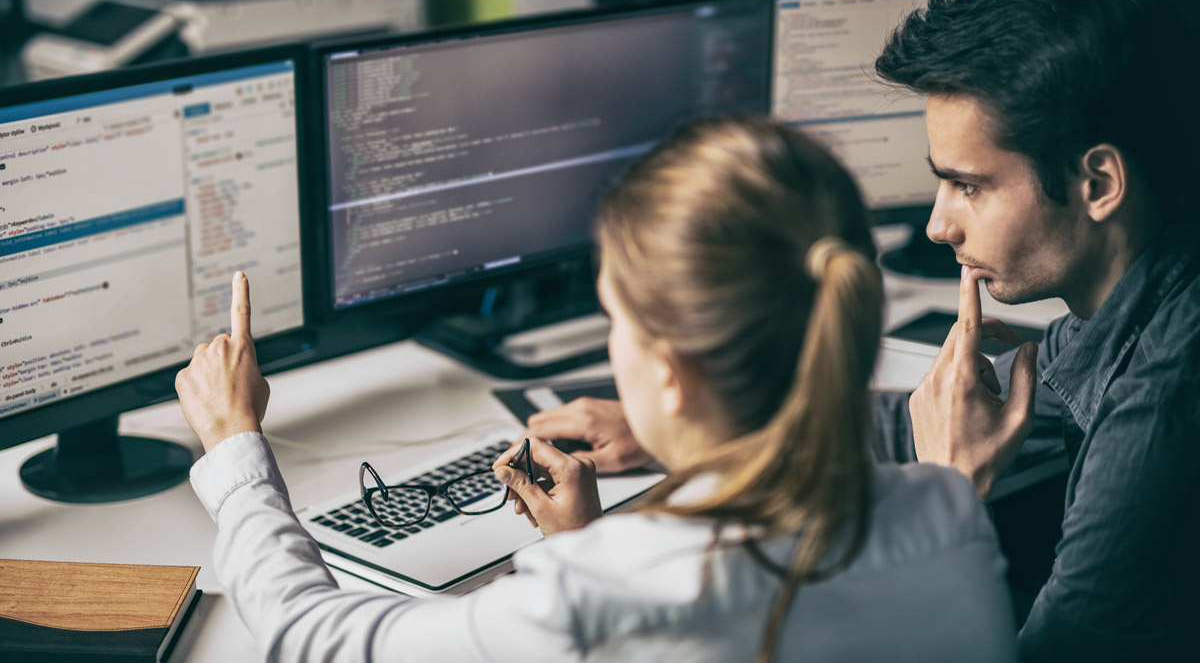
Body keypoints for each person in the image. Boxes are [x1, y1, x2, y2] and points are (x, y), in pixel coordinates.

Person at [176, 118, 1016, 662]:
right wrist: (570, 544)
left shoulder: (614, 588)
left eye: (616, 316)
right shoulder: (949, 510)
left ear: (671, 374)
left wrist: (234, 445)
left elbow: (311, 637)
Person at [532, 0, 1200, 660]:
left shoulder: (1164, 404)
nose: (939, 225)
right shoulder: (1127, 305)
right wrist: (702, 419)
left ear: (1098, 183)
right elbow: (945, 417)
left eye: (969, 185)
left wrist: (950, 495)